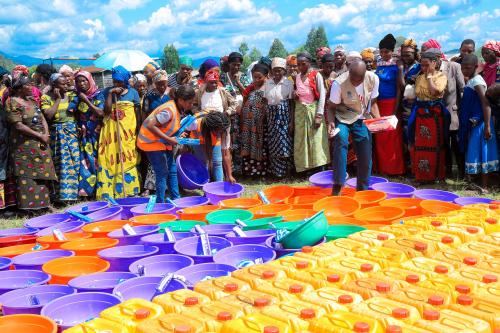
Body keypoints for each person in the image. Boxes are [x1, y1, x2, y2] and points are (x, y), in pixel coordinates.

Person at [5, 71, 57, 210]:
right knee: (26, 175)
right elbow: (18, 125)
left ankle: (45, 204)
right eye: (28, 84)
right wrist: (39, 136)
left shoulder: (32, 100)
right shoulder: (11, 102)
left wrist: (45, 133)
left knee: (43, 173)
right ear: (20, 87)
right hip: (24, 146)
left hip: (40, 142)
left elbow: (42, 118)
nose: (32, 86)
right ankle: (29, 208)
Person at [328, 60, 380, 195]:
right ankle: (338, 185)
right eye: (353, 79)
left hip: (361, 118)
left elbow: (373, 103)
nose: (356, 82)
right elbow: (331, 107)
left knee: (365, 152)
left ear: (365, 74)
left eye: (359, 80)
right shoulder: (338, 83)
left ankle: (362, 189)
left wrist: (379, 121)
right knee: (340, 139)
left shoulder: (373, 79)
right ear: (348, 73)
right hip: (342, 117)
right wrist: (330, 122)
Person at [137, 85, 196, 202]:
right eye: (189, 102)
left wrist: (178, 135)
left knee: (172, 170)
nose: (191, 105)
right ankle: (160, 202)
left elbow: (168, 127)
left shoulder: (178, 108)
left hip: (163, 143)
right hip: (151, 143)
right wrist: (169, 139)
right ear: (181, 100)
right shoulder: (169, 110)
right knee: (162, 172)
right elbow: (150, 125)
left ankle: (176, 199)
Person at [422, 39, 465, 178]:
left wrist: (462, 110)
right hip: (435, 114)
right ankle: (446, 172)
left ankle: (462, 172)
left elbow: (462, 89)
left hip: (452, 112)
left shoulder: (453, 67)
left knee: (456, 144)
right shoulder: (427, 70)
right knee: (443, 143)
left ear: (438, 59)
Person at [97, 65, 141, 199]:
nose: (117, 84)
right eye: (115, 81)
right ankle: (110, 192)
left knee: (128, 157)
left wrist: (138, 130)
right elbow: (105, 111)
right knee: (109, 158)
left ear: (125, 80)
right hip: (111, 134)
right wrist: (111, 94)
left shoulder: (133, 92)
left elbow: (137, 113)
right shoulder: (106, 92)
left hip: (128, 133)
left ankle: (129, 189)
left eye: (120, 81)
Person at [459, 54, 499, 189]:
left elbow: (485, 104)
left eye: (467, 68)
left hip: (481, 124)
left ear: (476, 67)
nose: (464, 70)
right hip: (475, 123)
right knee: (476, 151)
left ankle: (485, 186)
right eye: (462, 68)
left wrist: (487, 126)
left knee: (483, 153)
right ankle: (476, 182)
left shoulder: (477, 82)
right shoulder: (471, 80)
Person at [408, 50, 449, 182]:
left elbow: (435, 91)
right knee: (420, 144)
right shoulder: (419, 77)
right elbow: (416, 95)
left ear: (434, 63)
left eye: (426, 65)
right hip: (420, 115)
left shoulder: (441, 77)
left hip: (434, 116)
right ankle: (421, 175)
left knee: (435, 144)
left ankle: (435, 175)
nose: (424, 68)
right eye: (422, 65)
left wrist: (430, 76)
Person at [192, 68, 237, 181]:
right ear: (205, 81)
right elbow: (193, 105)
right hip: (206, 126)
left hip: (221, 125)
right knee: (207, 156)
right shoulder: (200, 92)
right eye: (211, 82)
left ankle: (227, 176)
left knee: (224, 151)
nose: (213, 85)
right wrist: (200, 114)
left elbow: (234, 103)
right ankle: (209, 181)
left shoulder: (222, 91)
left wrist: (227, 113)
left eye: (215, 82)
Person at [41, 73, 79, 202]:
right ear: (54, 86)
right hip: (57, 134)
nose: (66, 85)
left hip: (72, 132)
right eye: (62, 84)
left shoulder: (72, 95)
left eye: (67, 83)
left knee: (75, 162)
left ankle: (74, 194)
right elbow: (49, 115)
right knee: (61, 164)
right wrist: (57, 99)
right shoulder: (46, 98)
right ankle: (62, 196)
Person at [373, 33, 405, 176]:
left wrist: (395, 108)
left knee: (393, 137)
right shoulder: (378, 64)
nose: (384, 54)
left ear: (392, 51)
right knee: (381, 136)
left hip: (392, 103)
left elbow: (400, 88)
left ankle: (395, 169)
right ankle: (383, 169)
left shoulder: (397, 64)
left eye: (386, 51)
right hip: (378, 104)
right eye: (381, 51)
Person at [294, 52, 330, 173]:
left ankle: (320, 167)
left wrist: (319, 115)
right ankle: (306, 167)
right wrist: (295, 95)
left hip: (313, 110)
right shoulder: (298, 76)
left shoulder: (316, 75)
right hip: (300, 111)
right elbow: (298, 92)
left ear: (309, 63)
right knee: (302, 140)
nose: (300, 67)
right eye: (298, 64)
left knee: (316, 139)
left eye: (303, 64)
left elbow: (322, 96)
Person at [74, 70, 104, 197]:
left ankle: (101, 189)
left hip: (98, 135)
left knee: (100, 161)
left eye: (84, 81)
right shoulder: (76, 97)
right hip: (85, 136)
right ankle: (87, 192)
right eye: (78, 81)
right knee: (87, 163)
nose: (81, 84)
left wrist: (86, 100)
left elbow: (101, 113)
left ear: (90, 80)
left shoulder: (99, 95)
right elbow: (73, 114)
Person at [221, 52, 251, 175]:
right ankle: (229, 169)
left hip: (242, 114)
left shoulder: (243, 77)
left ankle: (239, 169)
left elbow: (248, 94)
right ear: (229, 64)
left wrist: (238, 83)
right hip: (229, 114)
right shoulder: (223, 78)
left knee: (240, 141)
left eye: (239, 65)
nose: (236, 67)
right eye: (234, 64)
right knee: (229, 141)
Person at [264, 57, 294, 178]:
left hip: (284, 116)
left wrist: (291, 121)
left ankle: (287, 172)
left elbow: (292, 103)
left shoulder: (288, 83)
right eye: (274, 70)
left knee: (284, 144)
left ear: (284, 71)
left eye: (279, 70)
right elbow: (266, 101)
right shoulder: (267, 83)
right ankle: (277, 173)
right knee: (273, 144)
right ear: (271, 71)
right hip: (271, 117)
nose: (277, 73)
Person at [188, 111, 236, 183]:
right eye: (217, 132)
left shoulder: (225, 126)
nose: (220, 134)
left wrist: (229, 175)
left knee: (217, 162)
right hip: (197, 140)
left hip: (213, 141)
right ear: (210, 128)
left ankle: (219, 187)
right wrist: (184, 144)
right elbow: (182, 129)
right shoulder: (194, 122)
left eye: (221, 132)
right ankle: (205, 187)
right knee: (203, 163)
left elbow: (225, 153)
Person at [240, 64, 269, 177]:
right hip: (248, 124)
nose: (256, 80)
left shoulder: (268, 88)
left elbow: (268, 105)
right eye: (254, 77)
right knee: (248, 145)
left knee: (259, 146)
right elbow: (244, 102)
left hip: (260, 125)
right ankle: (249, 171)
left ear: (266, 76)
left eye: (259, 77)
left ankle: (260, 171)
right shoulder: (250, 88)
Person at [401, 39, 421, 171]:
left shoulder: (420, 67)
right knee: (404, 136)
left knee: (413, 135)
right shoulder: (401, 67)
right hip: (402, 106)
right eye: (403, 54)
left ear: (415, 54)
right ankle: (407, 165)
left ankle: (415, 166)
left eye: (408, 54)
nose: (405, 57)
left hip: (414, 106)